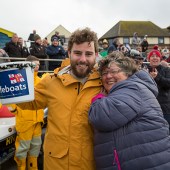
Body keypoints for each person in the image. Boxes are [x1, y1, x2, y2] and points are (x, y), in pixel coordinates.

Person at [17, 27, 102, 170]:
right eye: (77, 53)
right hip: (57, 164)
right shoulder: (52, 81)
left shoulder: (105, 83)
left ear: (96, 55)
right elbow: (29, 101)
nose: (82, 59)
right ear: (69, 53)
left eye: (88, 54)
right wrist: (10, 90)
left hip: (90, 163)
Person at [88, 55, 170, 170]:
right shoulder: (131, 88)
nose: (108, 76)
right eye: (104, 73)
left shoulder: (132, 88)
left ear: (128, 73)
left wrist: (98, 97)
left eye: (113, 71)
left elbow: (101, 116)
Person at [14, 55, 44, 170]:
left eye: (39, 65)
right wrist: (15, 109)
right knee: (22, 150)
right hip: (25, 122)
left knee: (35, 149)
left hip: (37, 121)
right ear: (28, 65)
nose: (37, 67)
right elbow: (11, 95)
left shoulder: (40, 81)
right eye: (35, 64)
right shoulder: (20, 79)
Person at [147, 49, 170, 128]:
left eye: (157, 56)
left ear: (160, 59)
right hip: (149, 108)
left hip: (164, 108)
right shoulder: (144, 71)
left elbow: (168, 84)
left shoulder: (166, 70)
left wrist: (157, 77)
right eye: (152, 56)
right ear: (148, 59)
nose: (155, 58)